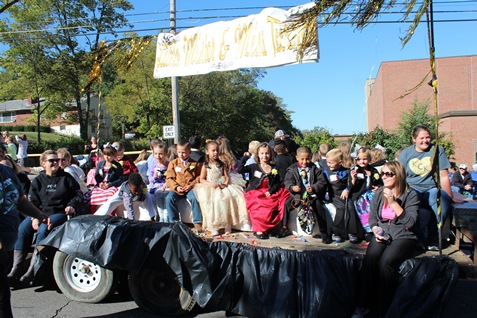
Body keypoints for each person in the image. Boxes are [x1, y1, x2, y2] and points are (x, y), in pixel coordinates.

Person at [352, 161, 419, 318]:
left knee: (386, 263)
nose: (384, 177)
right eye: (382, 174)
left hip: (404, 235)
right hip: (383, 233)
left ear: (398, 175)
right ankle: (362, 305)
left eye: (388, 174)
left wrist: (393, 203)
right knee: (370, 260)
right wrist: (375, 230)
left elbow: (410, 222)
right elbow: (373, 218)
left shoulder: (410, 194)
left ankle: (383, 308)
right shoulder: (379, 192)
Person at [8, 150, 83, 285]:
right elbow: (32, 201)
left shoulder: (66, 178)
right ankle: (17, 267)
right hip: (39, 212)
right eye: (51, 161)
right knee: (22, 229)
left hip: (58, 213)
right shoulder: (38, 181)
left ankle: (34, 268)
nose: (55, 163)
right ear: (43, 163)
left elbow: (78, 195)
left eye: (57, 160)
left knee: (43, 230)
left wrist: (72, 205)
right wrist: (34, 217)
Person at [0, 158, 50, 317]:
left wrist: (38, 214)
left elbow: (20, 201)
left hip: (7, 245)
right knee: (2, 295)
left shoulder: (7, 172)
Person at [398, 125, 454, 250]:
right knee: (412, 202)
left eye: (428, 137)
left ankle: (434, 238)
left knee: (442, 202)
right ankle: (417, 239)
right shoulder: (406, 153)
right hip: (412, 187)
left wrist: (450, 197)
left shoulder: (437, 150)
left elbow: (443, 175)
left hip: (431, 187)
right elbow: (399, 176)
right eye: (421, 138)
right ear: (414, 139)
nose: (425, 141)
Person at [194, 141, 249, 235]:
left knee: (228, 198)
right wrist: (210, 183)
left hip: (222, 185)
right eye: (213, 150)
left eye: (217, 150)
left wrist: (225, 184)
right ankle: (214, 226)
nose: (216, 152)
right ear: (207, 152)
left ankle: (228, 223)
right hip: (211, 186)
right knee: (214, 201)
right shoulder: (206, 165)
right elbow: (202, 179)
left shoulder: (221, 164)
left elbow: (227, 176)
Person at [237, 142, 290, 239]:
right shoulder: (253, 166)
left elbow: (277, 182)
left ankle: (272, 228)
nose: (264, 156)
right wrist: (245, 158)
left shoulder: (274, 168)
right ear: (258, 154)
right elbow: (239, 170)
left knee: (277, 203)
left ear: (270, 154)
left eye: (267, 153)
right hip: (256, 191)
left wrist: (271, 190)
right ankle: (259, 229)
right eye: (262, 153)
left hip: (269, 191)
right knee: (259, 204)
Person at [282, 146, 331, 243]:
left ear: (311, 157)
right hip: (297, 196)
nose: (305, 162)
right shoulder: (291, 170)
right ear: (297, 158)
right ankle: (284, 227)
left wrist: (313, 187)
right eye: (302, 159)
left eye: (307, 159)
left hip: (311, 196)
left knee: (319, 206)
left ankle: (324, 232)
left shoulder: (315, 169)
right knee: (286, 204)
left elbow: (322, 182)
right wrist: (292, 187)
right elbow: (287, 181)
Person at [324, 149, 360, 243]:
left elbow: (350, 184)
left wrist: (349, 186)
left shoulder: (346, 171)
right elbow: (324, 184)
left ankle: (352, 232)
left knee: (351, 207)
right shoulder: (326, 172)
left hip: (344, 194)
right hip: (334, 195)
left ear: (340, 162)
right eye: (327, 162)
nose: (329, 165)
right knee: (341, 208)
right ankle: (337, 232)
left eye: (331, 163)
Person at [165, 141, 203, 231]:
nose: (181, 154)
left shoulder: (195, 163)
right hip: (177, 188)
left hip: (190, 188)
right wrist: (176, 187)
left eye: (183, 152)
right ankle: (174, 222)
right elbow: (169, 178)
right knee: (169, 199)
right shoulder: (173, 163)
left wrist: (191, 185)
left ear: (189, 152)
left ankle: (197, 222)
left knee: (194, 198)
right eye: (179, 152)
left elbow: (199, 177)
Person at [350, 147, 383, 239]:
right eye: (359, 159)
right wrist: (354, 179)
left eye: (365, 159)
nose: (362, 162)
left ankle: (376, 228)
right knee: (364, 205)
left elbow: (379, 182)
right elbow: (352, 187)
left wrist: (378, 187)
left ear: (369, 159)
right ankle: (367, 229)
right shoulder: (356, 170)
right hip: (359, 195)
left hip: (371, 194)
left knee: (376, 202)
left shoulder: (373, 170)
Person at [89, 146, 124, 213]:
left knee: (110, 195)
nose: (106, 157)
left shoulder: (117, 166)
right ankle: (94, 213)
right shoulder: (100, 164)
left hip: (111, 185)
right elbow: (97, 175)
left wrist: (110, 184)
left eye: (109, 155)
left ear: (114, 156)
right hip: (101, 185)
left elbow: (120, 179)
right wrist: (100, 183)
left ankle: (109, 213)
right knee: (93, 195)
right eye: (105, 155)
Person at [148, 143, 170, 222]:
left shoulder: (169, 165)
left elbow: (171, 176)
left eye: (160, 154)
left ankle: (166, 217)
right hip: (156, 186)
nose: (158, 156)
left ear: (165, 154)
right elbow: (150, 178)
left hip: (166, 185)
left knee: (166, 195)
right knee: (159, 193)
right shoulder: (152, 165)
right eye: (156, 154)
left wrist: (167, 183)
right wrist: (154, 177)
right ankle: (161, 217)